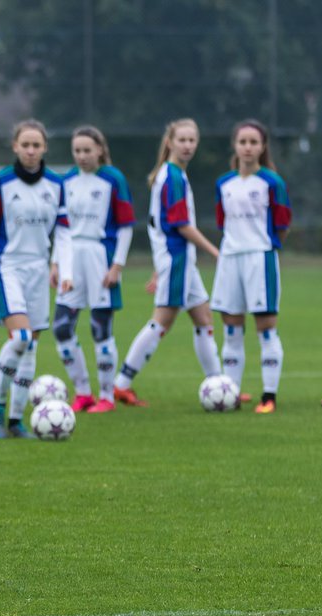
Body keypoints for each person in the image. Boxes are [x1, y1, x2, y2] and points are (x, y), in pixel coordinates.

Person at [112, 118, 222, 405]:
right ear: (170, 142)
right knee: (162, 321)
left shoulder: (171, 174)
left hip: (178, 261)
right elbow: (180, 225)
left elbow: (156, 224)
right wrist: (215, 250)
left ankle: (218, 385)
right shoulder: (172, 176)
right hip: (177, 259)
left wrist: (156, 269)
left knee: (203, 318)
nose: (187, 145)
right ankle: (121, 383)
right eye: (182, 140)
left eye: (192, 140)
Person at [0, 119, 73, 439]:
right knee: (20, 339)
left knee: (31, 348)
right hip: (8, 269)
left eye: (37, 145)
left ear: (44, 147)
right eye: (25, 145)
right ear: (15, 147)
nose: (31, 151)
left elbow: (63, 232)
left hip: (39, 270)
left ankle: (16, 420)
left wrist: (63, 268)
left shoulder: (56, 185)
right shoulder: (0, 183)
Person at [210, 119, 292, 414]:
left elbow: (282, 223)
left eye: (253, 142)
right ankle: (230, 393)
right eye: (242, 142)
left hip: (260, 258)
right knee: (231, 329)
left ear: (262, 147)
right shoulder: (224, 183)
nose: (247, 147)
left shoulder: (272, 182)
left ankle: (268, 396)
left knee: (265, 328)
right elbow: (222, 222)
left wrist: (267, 246)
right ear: (235, 145)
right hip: (230, 258)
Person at [53, 125, 136, 414]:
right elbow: (61, 228)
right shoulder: (67, 181)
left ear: (100, 149)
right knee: (62, 328)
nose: (82, 156)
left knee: (100, 328)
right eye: (77, 150)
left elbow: (126, 226)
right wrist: (56, 263)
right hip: (70, 258)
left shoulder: (113, 179)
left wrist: (117, 265)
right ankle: (83, 392)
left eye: (87, 150)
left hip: (101, 257)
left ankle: (106, 396)